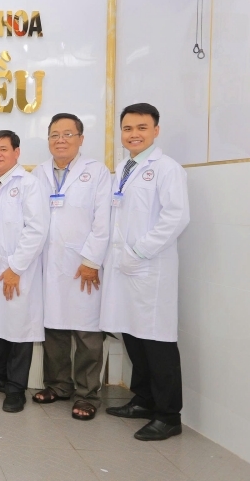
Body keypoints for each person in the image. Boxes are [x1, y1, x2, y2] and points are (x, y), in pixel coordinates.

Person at [100, 103, 190, 441]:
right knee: (133, 336)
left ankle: (168, 416)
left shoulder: (167, 169)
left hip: (150, 267)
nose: (133, 134)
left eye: (141, 127)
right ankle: (144, 400)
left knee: (157, 341)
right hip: (124, 267)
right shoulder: (124, 168)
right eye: (127, 128)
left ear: (156, 130)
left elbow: (176, 217)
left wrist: (139, 251)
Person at [31, 113, 111, 420]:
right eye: (54, 135)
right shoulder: (39, 173)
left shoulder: (96, 172)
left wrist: (91, 261)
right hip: (48, 263)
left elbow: (103, 221)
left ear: (80, 139)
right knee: (54, 329)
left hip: (83, 264)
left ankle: (87, 394)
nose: (60, 140)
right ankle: (58, 386)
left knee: (87, 331)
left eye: (67, 134)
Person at [0, 130, 49, 413]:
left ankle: (16, 388)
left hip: (17, 267)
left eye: (3, 149)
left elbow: (37, 229)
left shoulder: (29, 184)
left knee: (19, 327)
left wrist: (16, 267)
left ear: (16, 152)